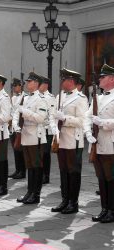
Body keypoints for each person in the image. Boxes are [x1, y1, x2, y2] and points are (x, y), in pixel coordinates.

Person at [50, 68, 87, 214]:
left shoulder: (81, 99)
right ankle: (64, 200)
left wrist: (64, 119)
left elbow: (82, 121)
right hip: (61, 139)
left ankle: (73, 202)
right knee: (63, 171)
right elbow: (53, 115)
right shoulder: (60, 96)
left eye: (64, 79)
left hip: (73, 141)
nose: (61, 82)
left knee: (73, 172)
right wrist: (54, 127)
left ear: (71, 81)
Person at [84, 64, 114, 223]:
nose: (99, 79)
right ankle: (104, 209)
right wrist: (88, 132)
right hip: (96, 143)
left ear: (111, 79)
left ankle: (112, 210)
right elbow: (86, 117)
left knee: (111, 178)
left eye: (103, 77)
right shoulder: (97, 97)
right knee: (101, 178)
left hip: (110, 144)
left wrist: (102, 122)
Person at [13, 72, 48, 205]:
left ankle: (36, 194)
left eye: (30, 81)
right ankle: (29, 192)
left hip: (36, 136)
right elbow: (17, 113)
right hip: (26, 135)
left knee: (36, 166)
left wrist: (25, 112)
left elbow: (40, 118)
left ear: (37, 83)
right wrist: (16, 125)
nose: (27, 83)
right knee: (29, 166)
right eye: (27, 81)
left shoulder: (41, 99)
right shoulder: (26, 98)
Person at [38, 76, 56, 184]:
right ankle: (40, 173)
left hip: (47, 130)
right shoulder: (37, 96)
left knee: (45, 153)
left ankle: (46, 175)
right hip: (38, 129)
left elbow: (52, 115)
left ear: (46, 85)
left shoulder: (50, 97)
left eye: (41, 83)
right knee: (39, 153)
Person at [9, 78, 26, 179]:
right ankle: (17, 170)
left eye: (16, 86)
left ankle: (22, 171)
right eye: (13, 86)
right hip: (12, 126)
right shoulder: (13, 98)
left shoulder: (25, 97)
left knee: (21, 150)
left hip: (20, 127)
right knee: (15, 149)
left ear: (21, 86)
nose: (14, 88)